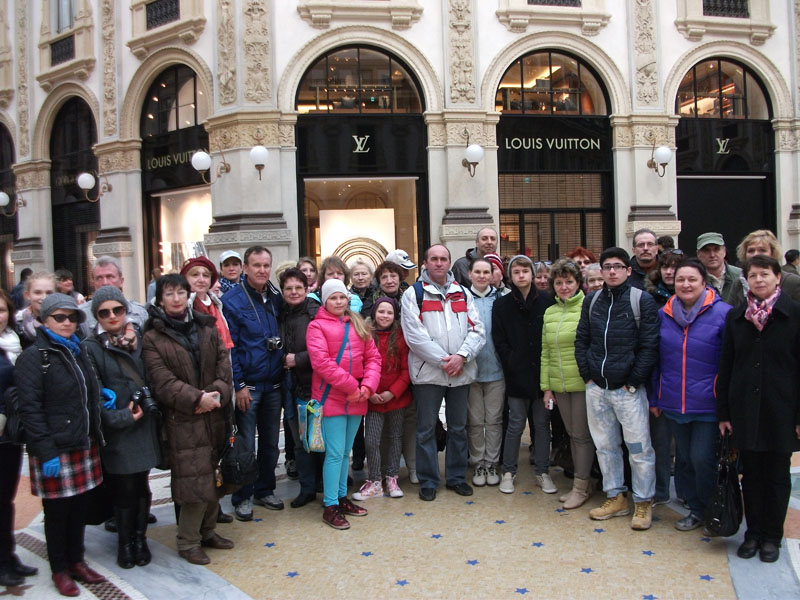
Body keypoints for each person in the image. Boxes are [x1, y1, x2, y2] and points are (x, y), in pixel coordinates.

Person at [16, 294, 107, 596]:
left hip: (81, 440)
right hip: (55, 447)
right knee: (57, 513)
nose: (68, 322)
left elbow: (85, 389)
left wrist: (99, 394)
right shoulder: (34, 357)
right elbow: (30, 409)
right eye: (60, 317)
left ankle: (77, 561)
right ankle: (60, 568)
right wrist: (46, 452)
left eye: (72, 317)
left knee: (79, 507)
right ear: (44, 320)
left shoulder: (78, 350)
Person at [142, 274, 234, 565]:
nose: (176, 298)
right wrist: (197, 399)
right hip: (183, 418)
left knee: (214, 475)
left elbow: (223, 365)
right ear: (160, 300)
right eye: (169, 293)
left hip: (214, 413)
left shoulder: (206, 326)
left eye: (181, 292)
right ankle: (188, 541)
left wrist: (215, 395)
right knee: (194, 481)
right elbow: (162, 381)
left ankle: (208, 532)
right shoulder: (152, 337)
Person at [717, 255, 800, 563]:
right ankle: (752, 533)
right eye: (753, 275)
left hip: (782, 409)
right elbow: (727, 365)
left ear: (777, 277)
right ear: (746, 280)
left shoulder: (794, 314)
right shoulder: (737, 316)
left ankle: (772, 537)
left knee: (777, 475)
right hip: (745, 409)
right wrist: (724, 413)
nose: (759, 280)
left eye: (764, 274)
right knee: (750, 476)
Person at [575, 247, 659, 530]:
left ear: (628, 270)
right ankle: (615, 497)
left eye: (618, 266)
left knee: (639, 448)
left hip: (628, 391)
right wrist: (587, 375)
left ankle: (643, 501)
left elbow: (649, 345)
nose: (612, 271)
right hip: (597, 388)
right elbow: (582, 339)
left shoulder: (641, 300)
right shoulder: (592, 300)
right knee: (605, 446)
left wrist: (633, 380)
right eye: (607, 266)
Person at [648, 259, 731, 532]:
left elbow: (730, 363)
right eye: (681, 279)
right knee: (684, 460)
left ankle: (710, 511)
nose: (686, 284)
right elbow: (655, 360)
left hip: (708, 404)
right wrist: (655, 397)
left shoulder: (723, 314)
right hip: (673, 402)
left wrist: (727, 406)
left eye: (692, 279)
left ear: (704, 282)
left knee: (701, 459)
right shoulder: (664, 315)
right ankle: (696, 510)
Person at [82, 286, 160, 568]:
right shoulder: (90, 347)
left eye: (118, 310)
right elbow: (93, 393)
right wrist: (121, 417)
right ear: (97, 317)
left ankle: (140, 539)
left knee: (141, 484)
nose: (112, 316)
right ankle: (125, 543)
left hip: (144, 424)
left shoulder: (140, 338)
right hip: (119, 427)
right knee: (124, 487)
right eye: (104, 313)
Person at [401, 244, 485, 501]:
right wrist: (444, 361)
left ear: (449, 262)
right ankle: (428, 480)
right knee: (426, 429)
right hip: (429, 375)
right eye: (434, 259)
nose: (439, 263)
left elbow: (477, 330)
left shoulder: (463, 293)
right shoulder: (414, 294)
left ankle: (457, 477)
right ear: (425, 263)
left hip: (460, 372)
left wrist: (461, 357)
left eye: (443, 259)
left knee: (458, 428)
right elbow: (415, 337)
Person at [306, 279, 381, 529]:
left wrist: (367, 387)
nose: (338, 302)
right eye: (333, 298)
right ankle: (330, 506)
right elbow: (322, 363)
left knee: (345, 452)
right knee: (335, 453)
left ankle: (340, 498)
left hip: (357, 397)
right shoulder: (316, 326)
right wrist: (352, 387)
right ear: (324, 301)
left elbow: (373, 358)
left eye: (341, 297)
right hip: (332, 398)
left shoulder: (358, 323)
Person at [222, 246, 285, 520]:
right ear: (245, 268)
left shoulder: (275, 297)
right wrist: (238, 385)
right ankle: (243, 496)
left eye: (266, 265)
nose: (262, 270)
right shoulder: (232, 300)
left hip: (274, 384)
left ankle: (265, 489)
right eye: (256, 265)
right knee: (245, 445)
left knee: (271, 443)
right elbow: (231, 347)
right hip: (249, 386)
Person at [493, 255, 554, 495]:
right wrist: (511, 360)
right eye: (516, 272)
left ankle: (542, 471)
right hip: (516, 374)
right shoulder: (502, 305)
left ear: (532, 274)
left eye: (525, 271)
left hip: (542, 374)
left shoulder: (547, 301)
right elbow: (499, 340)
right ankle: (508, 471)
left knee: (542, 424)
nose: (521, 276)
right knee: (515, 423)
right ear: (510, 276)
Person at [180, 256, 235, 523]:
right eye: (195, 275)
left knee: (215, 450)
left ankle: (213, 511)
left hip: (220, 385)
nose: (201, 279)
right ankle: (193, 522)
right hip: (197, 391)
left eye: (205, 275)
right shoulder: (184, 307)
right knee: (195, 459)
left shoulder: (215, 304)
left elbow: (224, 349)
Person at [540, 259, 594, 509]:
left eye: (569, 282)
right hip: (559, 385)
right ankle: (584, 482)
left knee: (581, 436)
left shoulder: (588, 307)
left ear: (578, 283)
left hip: (582, 384)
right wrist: (547, 388)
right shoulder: (550, 312)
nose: (564, 287)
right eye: (559, 282)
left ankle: (581, 487)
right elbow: (546, 352)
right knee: (573, 434)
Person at [353, 297, 411, 500]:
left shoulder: (401, 336)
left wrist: (392, 392)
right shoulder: (365, 334)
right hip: (373, 398)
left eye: (389, 312)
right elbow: (360, 366)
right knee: (371, 440)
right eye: (381, 311)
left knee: (395, 438)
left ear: (395, 316)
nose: (385, 316)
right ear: (374, 313)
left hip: (396, 398)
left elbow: (406, 370)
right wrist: (370, 392)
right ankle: (375, 480)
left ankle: (392, 477)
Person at [0, 289, 37, 588]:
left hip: (9, 436)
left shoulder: (12, 343)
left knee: (6, 499)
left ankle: (8, 555)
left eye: (1, 310)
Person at [643, 249, 685, 507]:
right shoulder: (650, 299)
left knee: (684, 445)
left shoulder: (700, 299)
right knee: (659, 440)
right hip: (659, 377)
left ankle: (685, 491)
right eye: (666, 266)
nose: (670, 271)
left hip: (688, 380)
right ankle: (660, 490)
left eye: (675, 267)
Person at [278, 268, 322, 508]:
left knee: (319, 440)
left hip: (314, 387)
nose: (293, 292)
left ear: (307, 289)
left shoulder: (316, 313)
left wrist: (298, 359)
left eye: (298, 288)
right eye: (289, 288)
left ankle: (325, 485)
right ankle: (307, 488)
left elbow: (327, 347)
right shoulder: (281, 313)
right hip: (291, 388)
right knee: (300, 441)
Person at [464, 258, 505, 487]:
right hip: (470, 371)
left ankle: (491, 462)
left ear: (492, 275)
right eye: (477, 272)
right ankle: (478, 462)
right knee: (475, 421)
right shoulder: (462, 299)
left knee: (494, 420)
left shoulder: (500, 300)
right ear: (470, 274)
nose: (481, 276)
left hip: (496, 371)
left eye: (486, 272)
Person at [728, 229, 800, 305]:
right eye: (751, 251)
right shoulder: (738, 284)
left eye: (762, 250)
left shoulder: (793, 282)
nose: (755, 254)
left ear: (773, 253)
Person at [79, 257, 148, 333]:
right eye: (99, 278)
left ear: (121, 281)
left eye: (110, 277)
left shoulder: (139, 312)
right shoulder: (81, 315)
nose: (105, 283)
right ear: (93, 283)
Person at [695, 232, 741, 305]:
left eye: (716, 249)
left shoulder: (741, 275)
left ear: (724, 251)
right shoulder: (693, 279)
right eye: (706, 250)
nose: (712, 255)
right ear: (698, 254)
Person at [14, 271, 56, 348]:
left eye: (49, 293)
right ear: (27, 295)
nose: (44, 297)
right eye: (38, 292)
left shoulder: (67, 320)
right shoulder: (17, 323)